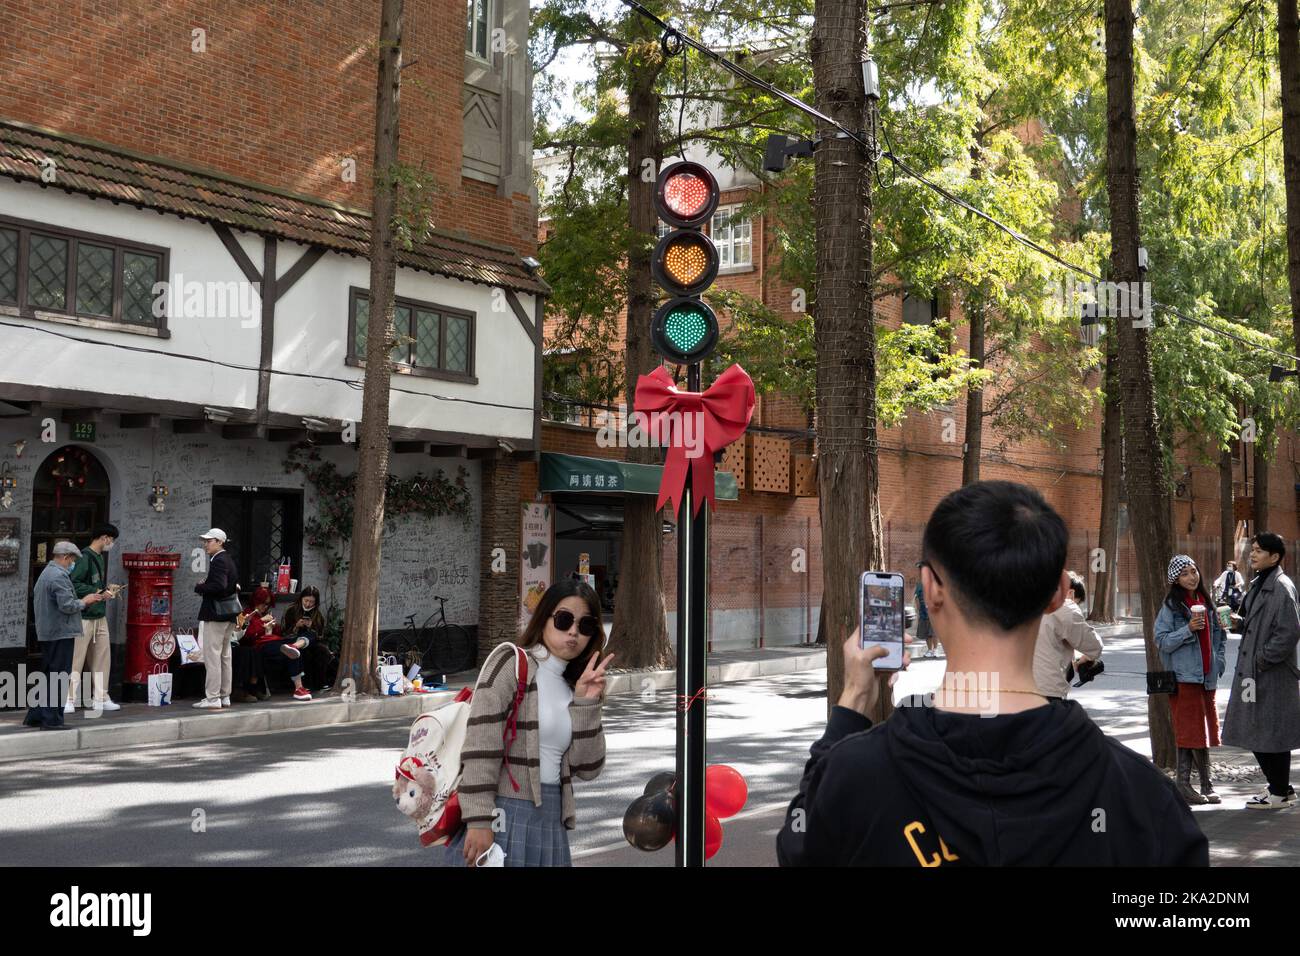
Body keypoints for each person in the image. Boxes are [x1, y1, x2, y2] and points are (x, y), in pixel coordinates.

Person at [776, 480, 1207, 866]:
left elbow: (798, 846)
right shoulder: (1142, 798)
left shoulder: (852, 778)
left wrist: (853, 700)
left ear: (930, 590)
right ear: (1059, 592)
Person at [438, 579, 613, 867]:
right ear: (543, 619)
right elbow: (481, 744)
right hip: (505, 812)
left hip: (552, 817)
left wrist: (587, 704)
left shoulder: (576, 685)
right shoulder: (512, 662)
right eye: (564, 619)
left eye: (585, 625)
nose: (573, 631)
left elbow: (589, 768)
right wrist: (479, 819)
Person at [1222, 532, 1300, 809]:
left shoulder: (1281, 586)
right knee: (1259, 730)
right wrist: (1239, 623)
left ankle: (1279, 792)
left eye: (1258, 550)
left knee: (1270, 731)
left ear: (1275, 557)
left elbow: (1288, 632)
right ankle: (1282, 789)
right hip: (1256, 673)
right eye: (1252, 549)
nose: (1252, 554)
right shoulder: (1261, 582)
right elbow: (1260, 623)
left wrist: (1262, 660)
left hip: (1271, 674)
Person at [1155, 555, 1228, 805]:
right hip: (1184, 678)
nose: (1191, 576)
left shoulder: (1206, 602)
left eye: (1193, 570)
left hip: (1207, 678)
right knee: (1189, 730)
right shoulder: (1171, 606)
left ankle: (1205, 785)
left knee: (1204, 729)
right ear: (1176, 578)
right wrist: (1188, 629)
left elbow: (1220, 635)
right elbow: (1161, 640)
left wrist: (1219, 661)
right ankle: (1185, 785)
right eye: (1184, 573)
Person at [24, 541, 106, 730]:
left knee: (49, 675)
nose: (73, 564)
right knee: (59, 676)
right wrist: (85, 601)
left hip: (49, 632)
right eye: (73, 560)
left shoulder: (47, 573)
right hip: (60, 632)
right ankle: (51, 720)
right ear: (66, 557)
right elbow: (68, 606)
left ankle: (36, 716)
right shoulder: (58, 577)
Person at [66, 523, 122, 716]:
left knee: (102, 659)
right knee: (76, 659)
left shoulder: (98, 557)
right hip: (83, 617)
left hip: (99, 615)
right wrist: (97, 592)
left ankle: (101, 697)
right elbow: (74, 583)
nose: (112, 544)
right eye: (111, 540)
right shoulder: (84, 557)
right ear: (104, 537)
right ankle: (68, 699)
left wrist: (104, 592)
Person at [1032, 571, 1103, 700]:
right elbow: (1094, 646)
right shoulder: (1065, 607)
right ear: (1070, 593)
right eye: (1077, 602)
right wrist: (1086, 658)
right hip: (1044, 691)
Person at [194, 528, 239, 709]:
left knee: (212, 656)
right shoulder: (228, 559)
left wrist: (200, 587)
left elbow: (219, 587)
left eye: (209, 541)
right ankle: (224, 696)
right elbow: (231, 585)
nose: (206, 544)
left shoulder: (218, 560)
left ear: (219, 542)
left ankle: (213, 698)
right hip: (229, 614)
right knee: (225, 656)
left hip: (216, 613)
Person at [245, 586, 313, 702]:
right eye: (263, 604)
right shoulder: (248, 614)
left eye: (267, 604)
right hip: (261, 646)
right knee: (289, 650)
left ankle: (295, 646)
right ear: (256, 601)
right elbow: (246, 635)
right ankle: (299, 688)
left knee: (306, 638)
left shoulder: (267, 613)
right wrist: (261, 622)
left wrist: (273, 626)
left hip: (275, 642)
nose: (265, 607)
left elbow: (279, 633)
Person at [282, 586, 333, 691]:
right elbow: (284, 632)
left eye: (311, 602)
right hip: (293, 639)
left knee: (321, 650)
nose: (308, 604)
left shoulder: (317, 614)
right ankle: (295, 646)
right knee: (305, 652)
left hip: (312, 643)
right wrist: (296, 626)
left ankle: (320, 683)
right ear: (301, 598)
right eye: (306, 600)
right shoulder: (291, 610)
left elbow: (320, 635)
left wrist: (311, 627)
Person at [914, 563, 938, 658]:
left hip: (933, 613)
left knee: (933, 632)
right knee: (926, 633)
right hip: (923, 613)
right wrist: (918, 608)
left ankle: (935, 650)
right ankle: (929, 650)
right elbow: (916, 597)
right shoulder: (919, 585)